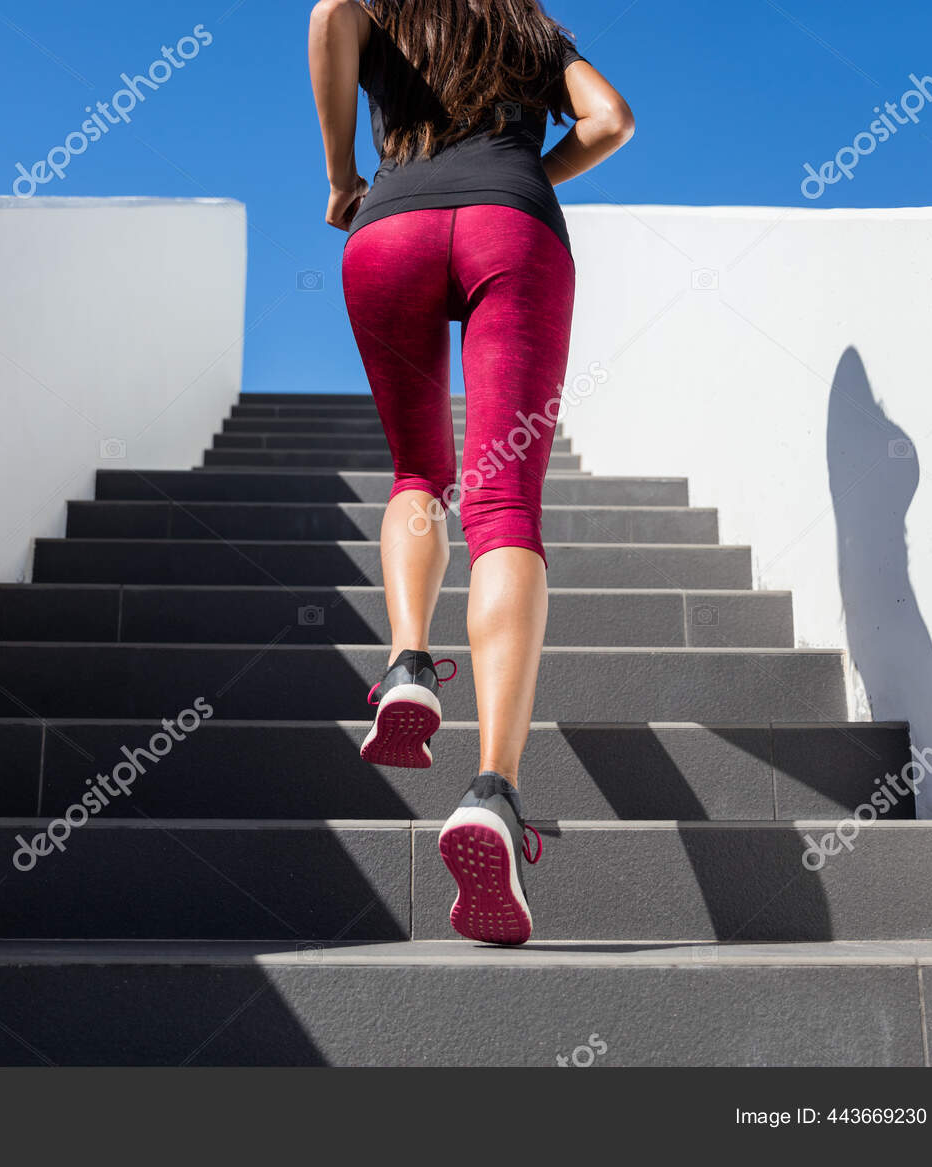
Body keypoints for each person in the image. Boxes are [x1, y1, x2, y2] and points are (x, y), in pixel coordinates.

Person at [308, 0, 634, 944]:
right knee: (504, 508)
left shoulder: (384, 9)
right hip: (514, 231)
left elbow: (328, 13)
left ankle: (409, 661)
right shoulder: (531, 31)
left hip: (389, 233)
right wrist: (533, 170)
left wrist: (344, 176)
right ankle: (494, 789)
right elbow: (611, 120)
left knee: (418, 471)